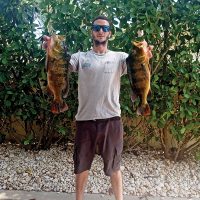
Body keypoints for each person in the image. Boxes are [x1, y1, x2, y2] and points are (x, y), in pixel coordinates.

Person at [43, 15, 152, 200]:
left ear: (109, 33)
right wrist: (48, 49)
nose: (100, 31)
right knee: (81, 165)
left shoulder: (120, 58)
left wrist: (146, 56)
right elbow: (57, 67)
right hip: (85, 120)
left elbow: (138, 67)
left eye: (104, 28)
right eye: (97, 28)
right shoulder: (80, 57)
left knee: (114, 166)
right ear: (92, 32)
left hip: (112, 120)